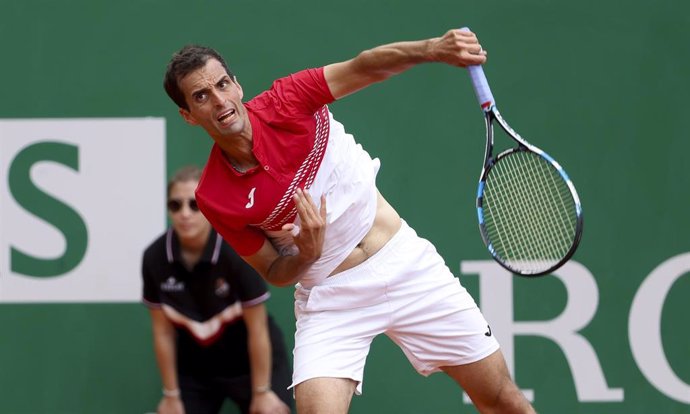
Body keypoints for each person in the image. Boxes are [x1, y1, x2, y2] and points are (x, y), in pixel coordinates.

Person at [162, 29, 535, 413]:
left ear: (237, 85)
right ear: (188, 115)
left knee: (502, 400)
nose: (220, 101)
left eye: (223, 84)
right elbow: (273, 269)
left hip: (406, 265)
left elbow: (365, 66)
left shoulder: (288, 99)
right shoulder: (213, 197)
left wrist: (433, 49)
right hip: (331, 298)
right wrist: (305, 253)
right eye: (202, 96)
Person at [141, 165, 293, 414]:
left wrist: (262, 392)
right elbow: (163, 333)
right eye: (175, 205)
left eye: (194, 204)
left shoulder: (236, 250)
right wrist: (171, 395)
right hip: (196, 368)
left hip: (250, 361)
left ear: (208, 205)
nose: (185, 214)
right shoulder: (154, 258)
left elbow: (257, 328)